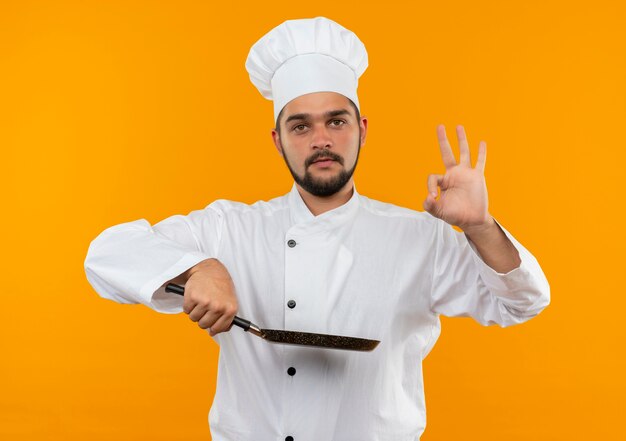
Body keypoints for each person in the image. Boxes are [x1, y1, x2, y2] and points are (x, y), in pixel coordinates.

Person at [84, 16, 550, 441]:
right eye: (301, 126)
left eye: (337, 121)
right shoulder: (230, 229)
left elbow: (522, 303)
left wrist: (480, 226)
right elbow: (106, 254)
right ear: (278, 140)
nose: (322, 139)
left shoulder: (419, 237)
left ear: (362, 129)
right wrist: (199, 268)